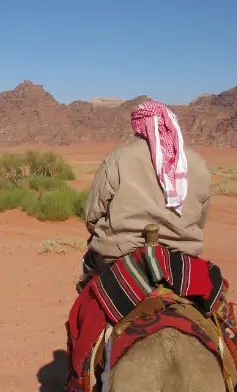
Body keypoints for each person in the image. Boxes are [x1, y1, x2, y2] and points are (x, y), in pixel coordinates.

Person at [81, 100, 211, 280]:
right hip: (182, 257)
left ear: (137, 125)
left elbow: (92, 215)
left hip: (120, 255)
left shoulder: (118, 159)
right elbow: (201, 219)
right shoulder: (196, 162)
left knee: (89, 268)